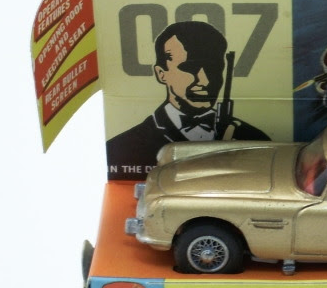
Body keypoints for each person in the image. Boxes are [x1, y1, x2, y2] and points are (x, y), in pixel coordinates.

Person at [106, 21, 268, 175]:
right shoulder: (123, 147)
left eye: (214, 68)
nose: (204, 81)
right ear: (161, 74)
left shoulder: (257, 140)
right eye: (189, 68)